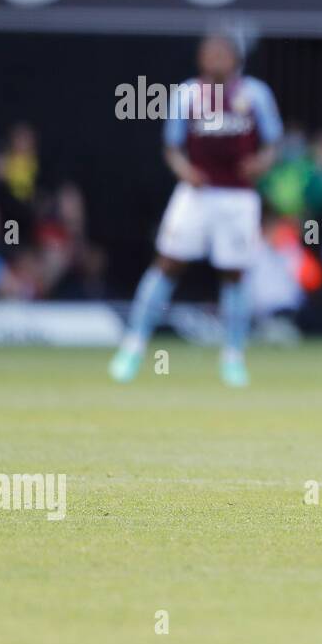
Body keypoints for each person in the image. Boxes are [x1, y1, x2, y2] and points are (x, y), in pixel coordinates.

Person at [108, 33, 282, 387]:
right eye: (209, 53)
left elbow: (273, 143)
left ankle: (233, 356)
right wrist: (185, 172)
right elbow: (172, 147)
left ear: (236, 59)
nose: (215, 59)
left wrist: (261, 163)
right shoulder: (188, 93)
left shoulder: (256, 94)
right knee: (168, 263)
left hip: (237, 198)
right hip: (196, 195)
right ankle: (134, 346)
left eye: (222, 53)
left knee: (234, 273)